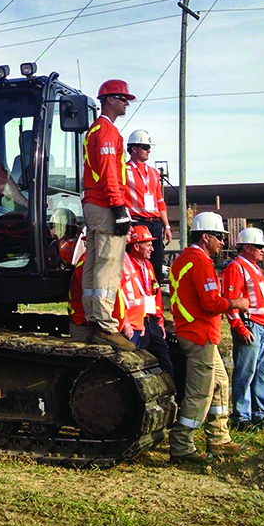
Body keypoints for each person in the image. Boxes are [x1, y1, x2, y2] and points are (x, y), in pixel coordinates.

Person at [167, 212, 249, 464]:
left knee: (220, 384)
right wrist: (237, 302)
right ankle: (181, 444)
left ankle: (219, 437)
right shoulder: (200, 262)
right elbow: (211, 303)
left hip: (197, 333)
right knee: (200, 393)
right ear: (205, 237)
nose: (223, 243)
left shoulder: (184, 260)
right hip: (199, 335)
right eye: (220, 237)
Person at [72, 79, 136, 350]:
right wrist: (119, 207)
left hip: (93, 203)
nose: (126, 103)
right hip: (105, 204)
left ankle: (91, 320)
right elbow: (110, 172)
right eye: (123, 98)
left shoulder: (94, 131)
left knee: (95, 261)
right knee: (109, 264)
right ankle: (106, 325)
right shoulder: (108, 133)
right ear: (109, 99)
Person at [224, 226, 264, 430]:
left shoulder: (254, 267)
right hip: (250, 324)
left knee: (263, 372)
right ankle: (241, 416)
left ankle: (259, 413)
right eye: (258, 246)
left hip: (263, 326)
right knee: (246, 372)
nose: (263, 250)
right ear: (246, 247)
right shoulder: (237, 267)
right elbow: (231, 301)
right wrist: (239, 327)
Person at [126, 224, 175, 388]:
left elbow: (156, 295)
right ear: (136, 245)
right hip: (137, 324)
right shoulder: (127, 266)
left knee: (165, 361)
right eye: (148, 245)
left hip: (152, 321)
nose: (152, 249)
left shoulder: (148, 266)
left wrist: (160, 321)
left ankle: (169, 394)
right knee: (137, 364)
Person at [124, 129, 172, 285]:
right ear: (134, 148)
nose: (149, 150)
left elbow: (159, 200)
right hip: (137, 222)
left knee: (157, 261)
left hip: (155, 222)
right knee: (135, 260)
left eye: (149, 147)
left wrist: (167, 226)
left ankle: (154, 295)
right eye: (145, 147)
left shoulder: (153, 173)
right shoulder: (124, 170)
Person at [113, 225, 154, 345]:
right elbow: (117, 293)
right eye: (148, 245)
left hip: (136, 324)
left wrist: (140, 322)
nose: (131, 229)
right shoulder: (118, 260)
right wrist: (125, 323)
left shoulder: (125, 258)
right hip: (128, 325)